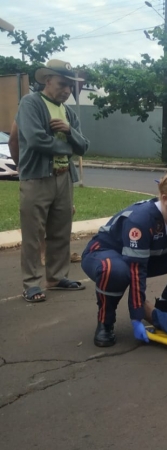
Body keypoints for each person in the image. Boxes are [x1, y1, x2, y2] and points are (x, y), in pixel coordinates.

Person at [80, 172, 167, 348]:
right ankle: (105, 322)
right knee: (115, 271)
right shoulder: (141, 220)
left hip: (146, 256)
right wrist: (137, 316)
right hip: (105, 253)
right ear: (165, 198)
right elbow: (136, 270)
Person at [14, 59, 90, 302]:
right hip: (37, 177)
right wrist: (68, 147)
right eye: (62, 84)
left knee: (60, 231)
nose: (67, 90)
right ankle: (32, 284)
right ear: (47, 81)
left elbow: (84, 146)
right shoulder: (31, 103)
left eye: (70, 86)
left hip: (64, 177)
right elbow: (36, 139)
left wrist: (69, 131)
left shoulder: (68, 112)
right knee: (33, 233)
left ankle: (56, 278)